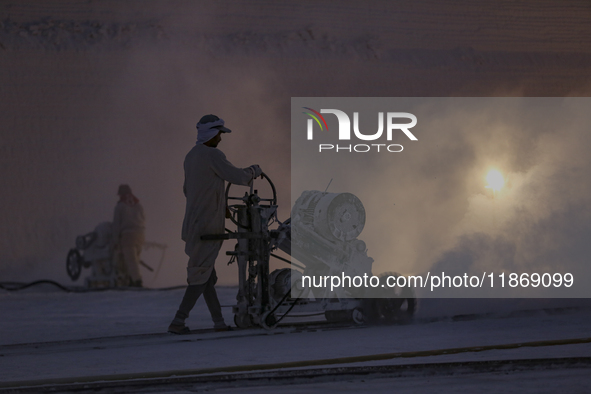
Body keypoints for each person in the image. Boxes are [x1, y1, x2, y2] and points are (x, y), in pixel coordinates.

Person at [168, 114, 262, 334]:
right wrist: (254, 171)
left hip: (194, 223)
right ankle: (178, 322)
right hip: (207, 227)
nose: (221, 138)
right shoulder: (213, 155)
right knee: (200, 275)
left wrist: (220, 207)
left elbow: (189, 190)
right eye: (219, 133)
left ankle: (219, 322)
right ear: (212, 133)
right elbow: (237, 176)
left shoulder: (190, 156)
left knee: (207, 276)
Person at [112, 184, 145, 287]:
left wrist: (115, 241)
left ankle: (137, 281)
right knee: (136, 258)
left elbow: (116, 225)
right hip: (140, 234)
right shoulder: (138, 205)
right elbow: (143, 219)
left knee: (130, 260)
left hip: (127, 235)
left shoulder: (120, 206)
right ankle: (131, 280)